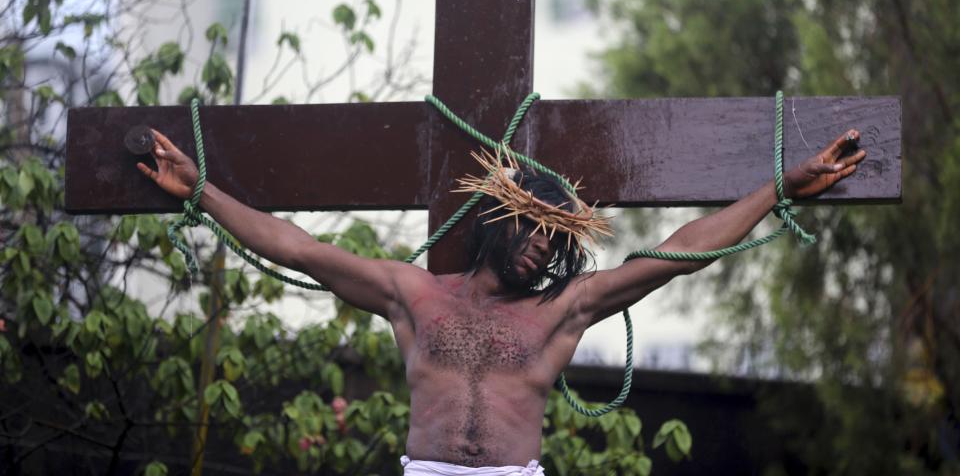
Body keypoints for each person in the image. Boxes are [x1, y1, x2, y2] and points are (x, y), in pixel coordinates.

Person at [138, 128, 865, 475]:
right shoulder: (413, 295)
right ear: (497, 215)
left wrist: (779, 189)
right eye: (532, 226)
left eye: (556, 240)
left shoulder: (560, 312)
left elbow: (673, 255)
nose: (542, 248)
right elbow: (296, 247)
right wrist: (200, 190)